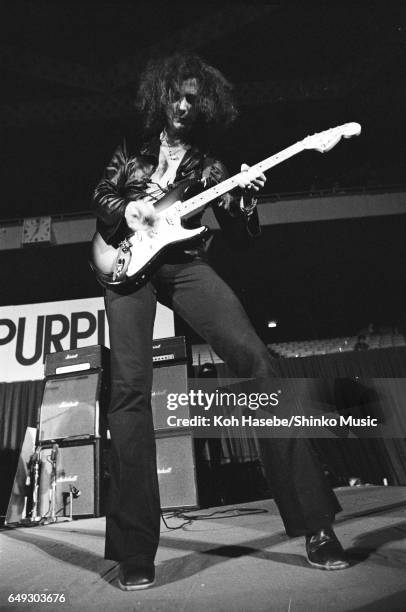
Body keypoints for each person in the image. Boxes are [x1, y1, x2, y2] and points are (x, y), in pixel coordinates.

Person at [93, 53, 349, 591]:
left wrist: (247, 200)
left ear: (204, 104)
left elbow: (238, 228)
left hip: (183, 263)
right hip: (128, 267)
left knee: (258, 360)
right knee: (129, 390)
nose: (184, 105)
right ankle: (135, 549)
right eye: (177, 95)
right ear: (161, 96)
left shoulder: (209, 165)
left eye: (193, 98)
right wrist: (131, 210)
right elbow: (104, 196)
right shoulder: (131, 151)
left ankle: (316, 524)